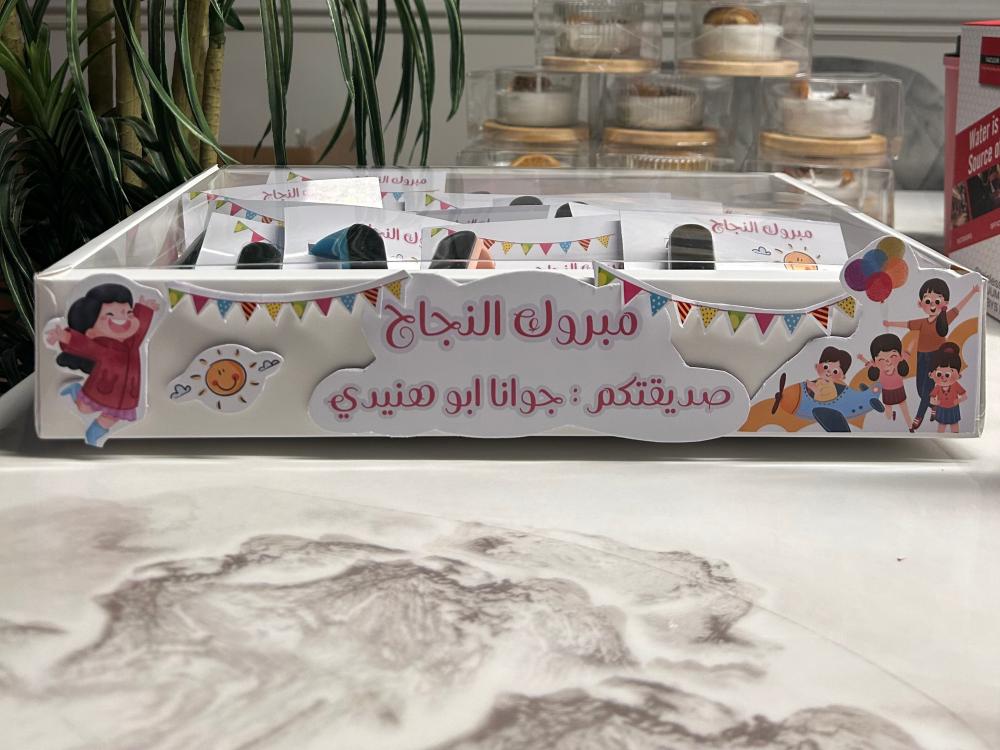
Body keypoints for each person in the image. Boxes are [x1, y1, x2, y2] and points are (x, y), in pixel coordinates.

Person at [45, 284, 158, 447]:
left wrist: (144, 310)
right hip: (100, 388)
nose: (124, 319)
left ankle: (94, 435)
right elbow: (85, 345)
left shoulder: (132, 345)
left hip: (127, 394)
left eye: (129, 313)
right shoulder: (102, 348)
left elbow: (139, 330)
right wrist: (65, 337)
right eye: (110, 314)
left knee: (112, 417)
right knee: (85, 409)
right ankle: (76, 391)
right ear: (92, 331)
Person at [883, 279, 979, 432]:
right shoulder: (922, 322)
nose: (932, 305)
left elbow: (959, 308)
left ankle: (918, 417)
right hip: (921, 356)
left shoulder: (944, 319)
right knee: (920, 390)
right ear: (920, 303)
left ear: (945, 303)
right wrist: (890, 324)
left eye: (937, 301)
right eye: (928, 301)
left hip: (937, 357)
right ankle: (934, 406)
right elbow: (907, 324)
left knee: (927, 389)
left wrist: (972, 292)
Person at [858, 334, 912, 424]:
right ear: (876, 361)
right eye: (881, 359)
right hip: (887, 392)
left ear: (899, 356)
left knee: (904, 408)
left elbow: (907, 354)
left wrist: (910, 344)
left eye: (892, 356)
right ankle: (892, 416)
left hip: (899, 390)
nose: (888, 361)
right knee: (888, 412)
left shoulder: (899, 364)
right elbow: (869, 364)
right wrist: (862, 358)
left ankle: (910, 426)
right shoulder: (878, 369)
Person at [928, 342, 968, 434]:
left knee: (954, 424)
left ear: (958, 375)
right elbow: (931, 399)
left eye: (947, 374)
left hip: (953, 409)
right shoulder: (938, 387)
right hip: (941, 409)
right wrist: (935, 402)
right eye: (939, 374)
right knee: (941, 425)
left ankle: (956, 437)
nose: (943, 377)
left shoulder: (955, 385)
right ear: (931, 374)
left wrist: (958, 401)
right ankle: (939, 437)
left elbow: (964, 396)